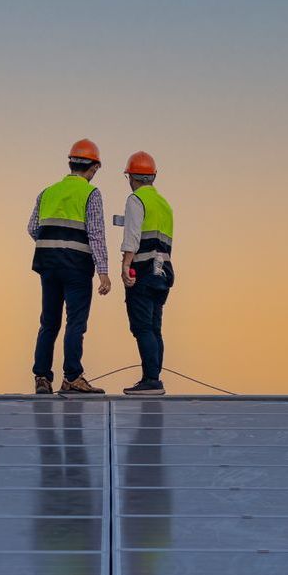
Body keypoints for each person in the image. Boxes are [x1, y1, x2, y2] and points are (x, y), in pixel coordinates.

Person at [28, 139, 112, 395]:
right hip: (76, 266)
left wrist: (54, 244)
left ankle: (42, 377)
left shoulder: (47, 192)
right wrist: (104, 273)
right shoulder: (91, 193)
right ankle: (73, 377)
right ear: (94, 167)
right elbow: (96, 233)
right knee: (75, 322)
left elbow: (32, 228)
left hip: (48, 264)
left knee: (49, 322)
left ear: (71, 162)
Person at [120, 150, 174, 396]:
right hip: (163, 272)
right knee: (154, 327)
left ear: (131, 177)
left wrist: (125, 266)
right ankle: (154, 376)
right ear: (153, 176)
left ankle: (151, 380)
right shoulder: (165, 205)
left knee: (142, 327)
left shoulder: (136, 200)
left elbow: (132, 236)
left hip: (142, 269)